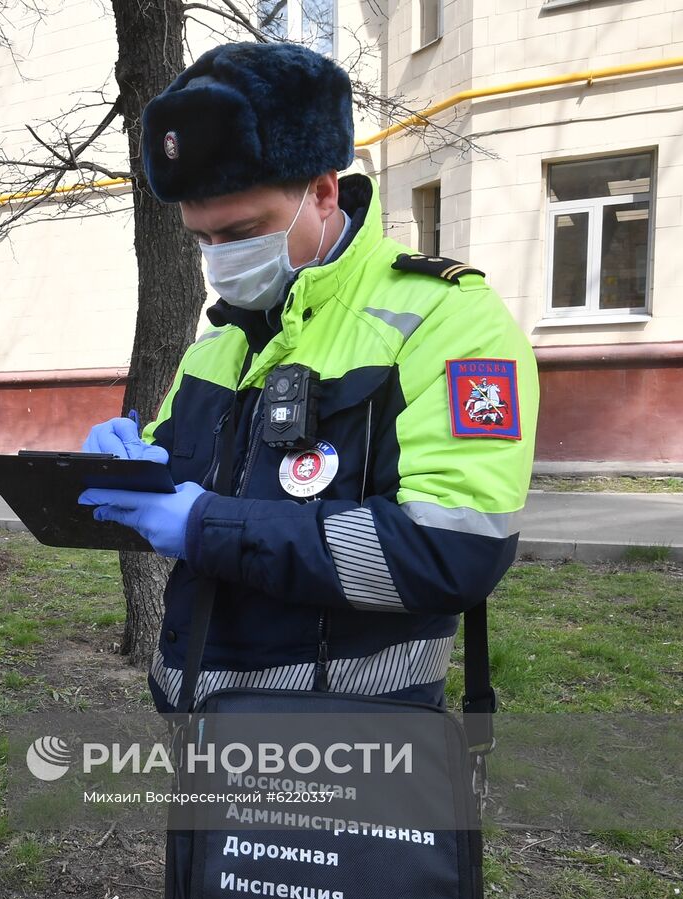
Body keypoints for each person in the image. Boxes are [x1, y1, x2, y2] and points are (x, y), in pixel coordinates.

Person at [79, 41, 539, 714]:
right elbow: (181, 495)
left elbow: (453, 550)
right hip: (205, 731)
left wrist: (209, 526)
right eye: (201, 238)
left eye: (242, 231)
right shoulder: (219, 344)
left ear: (323, 191)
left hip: (356, 747)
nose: (221, 260)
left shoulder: (445, 317)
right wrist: (129, 468)